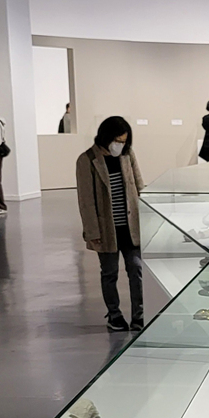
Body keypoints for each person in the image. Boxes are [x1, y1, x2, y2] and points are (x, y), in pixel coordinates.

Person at [76, 116, 147, 331]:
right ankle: (114, 315)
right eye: (117, 140)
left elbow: (139, 186)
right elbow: (86, 201)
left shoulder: (127, 155)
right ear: (106, 137)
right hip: (106, 229)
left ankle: (139, 315)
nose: (120, 145)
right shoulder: (87, 160)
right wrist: (92, 232)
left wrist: (147, 217)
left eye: (124, 141)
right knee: (109, 273)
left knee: (136, 269)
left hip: (130, 226)